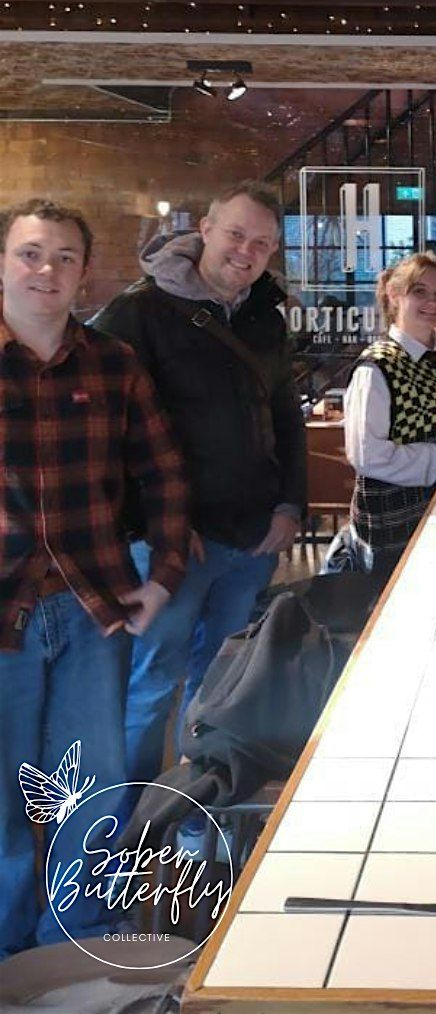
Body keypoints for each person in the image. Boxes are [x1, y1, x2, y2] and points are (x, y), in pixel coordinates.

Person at [0, 200, 189, 956]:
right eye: (30, 253)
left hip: (92, 607)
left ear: (84, 272)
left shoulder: (113, 362)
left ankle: (74, 949)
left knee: (90, 792)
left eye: (65, 257)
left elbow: (164, 471)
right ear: (4, 263)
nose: (47, 269)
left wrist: (165, 571)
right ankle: (10, 956)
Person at [93, 181, 306, 788]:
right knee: (150, 687)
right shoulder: (138, 313)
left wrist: (290, 503)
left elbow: (286, 416)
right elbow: (111, 433)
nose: (246, 251)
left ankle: (195, 812)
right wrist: (156, 527)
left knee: (221, 686)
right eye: (236, 234)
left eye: (261, 243)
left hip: (251, 539)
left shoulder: (265, 317)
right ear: (205, 230)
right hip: (173, 546)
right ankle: (126, 824)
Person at [344, 253, 436, 586]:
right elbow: (368, 457)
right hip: (394, 526)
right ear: (395, 295)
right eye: (419, 292)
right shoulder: (376, 367)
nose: (432, 302)